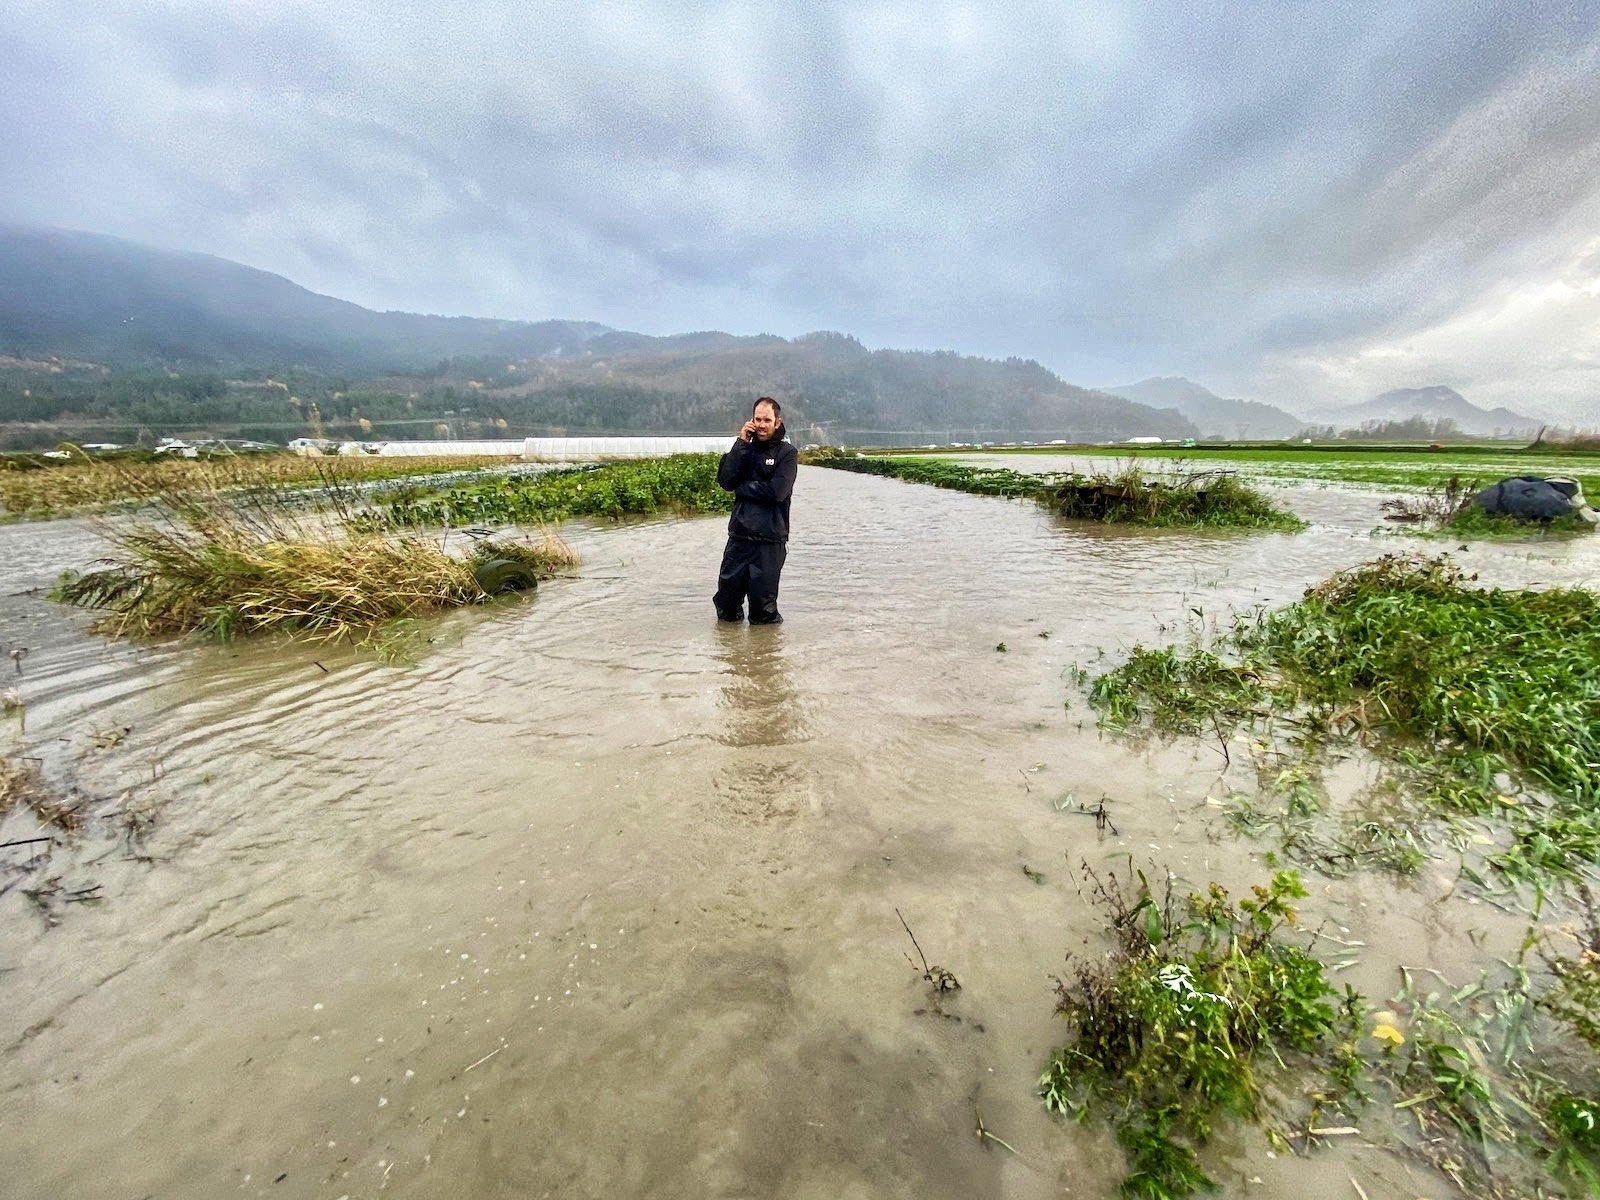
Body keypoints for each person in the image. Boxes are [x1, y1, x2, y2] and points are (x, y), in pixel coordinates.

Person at [713, 396, 798, 624]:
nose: (761, 424)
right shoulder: (743, 450)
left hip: (769, 542)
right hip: (738, 539)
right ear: (751, 420)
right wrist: (741, 443)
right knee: (726, 604)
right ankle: (731, 654)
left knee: (763, 612)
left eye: (767, 420)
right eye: (757, 419)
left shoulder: (787, 454)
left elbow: (776, 492)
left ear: (777, 422)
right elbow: (725, 480)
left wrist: (742, 487)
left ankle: (764, 656)